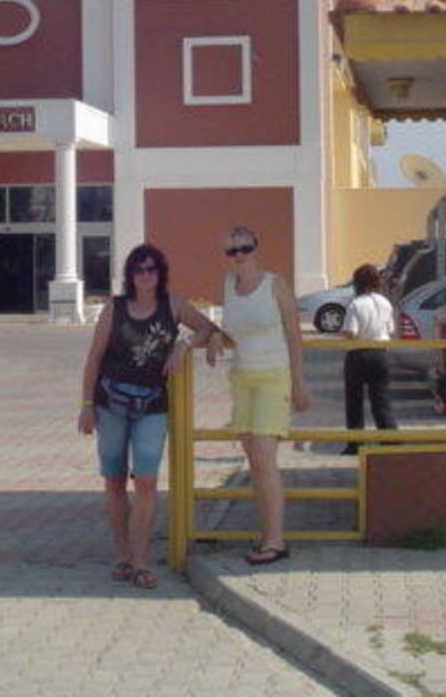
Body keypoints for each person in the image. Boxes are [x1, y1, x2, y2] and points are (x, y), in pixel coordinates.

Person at [78, 243, 221, 589]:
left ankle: (141, 560)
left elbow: (207, 327)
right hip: (110, 404)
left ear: (161, 273)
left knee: (146, 480)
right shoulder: (114, 308)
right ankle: (122, 555)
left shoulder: (173, 305)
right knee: (114, 479)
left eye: (151, 269)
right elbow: (94, 357)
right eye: (139, 270)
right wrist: (86, 405)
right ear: (130, 275)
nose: (145, 275)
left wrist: (184, 345)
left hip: (152, 406)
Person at [218, 225, 309, 565]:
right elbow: (230, 331)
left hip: (274, 376)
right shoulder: (228, 285)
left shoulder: (275, 284)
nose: (239, 255)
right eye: (232, 250)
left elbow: (294, 334)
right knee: (254, 462)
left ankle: (276, 541)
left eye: (245, 248)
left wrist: (298, 383)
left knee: (264, 457)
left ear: (256, 248)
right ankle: (266, 533)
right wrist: (211, 338)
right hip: (242, 377)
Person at [341, 263, 397, 454]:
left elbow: (351, 332)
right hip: (381, 353)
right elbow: (390, 329)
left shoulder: (356, 304)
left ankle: (355, 443)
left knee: (354, 400)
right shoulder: (385, 302)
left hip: (358, 354)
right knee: (381, 399)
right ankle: (390, 439)